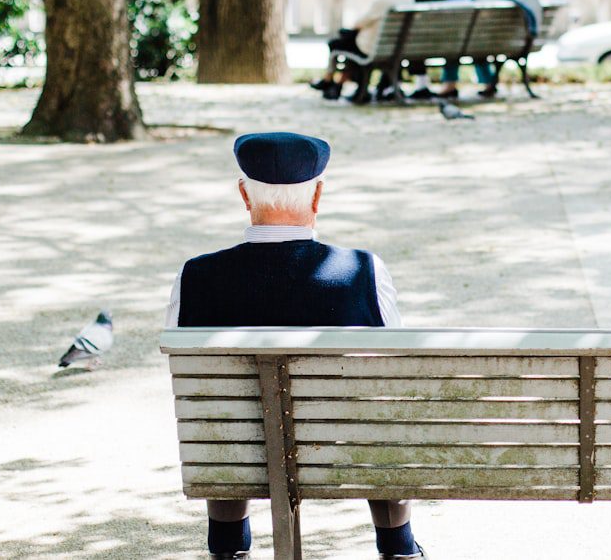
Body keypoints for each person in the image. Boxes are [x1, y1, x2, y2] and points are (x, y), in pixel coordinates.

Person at [165, 132, 426, 560]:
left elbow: (191, 381)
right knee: (378, 411)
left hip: (235, 454)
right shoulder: (363, 271)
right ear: (318, 195)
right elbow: (391, 368)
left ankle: (227, 547)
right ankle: (398, 547)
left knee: (224, 413)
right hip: (346, 453)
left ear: (245, 196)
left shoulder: (195, 276)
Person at [309, 0, 412, 105]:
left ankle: (330, 81)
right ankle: (335, 84)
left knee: (338, 41)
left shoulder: (383, 0)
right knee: (345, 41)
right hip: (396, 47)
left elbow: (359, 23)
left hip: (373, 47)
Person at [424, 0, 471, 99]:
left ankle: (422, 85)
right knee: (454, 38)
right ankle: (451, 83)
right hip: (463, 31)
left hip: (444, 31)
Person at [468, 0, 518, 99]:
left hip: (488, 37)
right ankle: (490, 83)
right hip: (510, 36)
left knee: (474, 45)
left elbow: (474, 3)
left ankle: (488, 81)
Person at [400, 0, 447, 100]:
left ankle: (390, 85)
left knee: (402, 38)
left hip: (416, 40)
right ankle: (422, 85)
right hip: (439, 39)